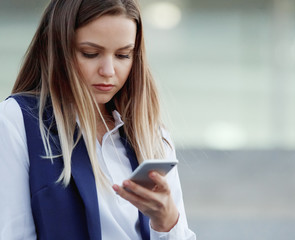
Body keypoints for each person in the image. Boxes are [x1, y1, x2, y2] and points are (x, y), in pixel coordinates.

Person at [0, 0, 196, 239]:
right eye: (90, 53)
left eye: (123, 55)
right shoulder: (18, 120)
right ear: (58, 50)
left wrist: (167, 223)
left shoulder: (152, 135)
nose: (108, 70)